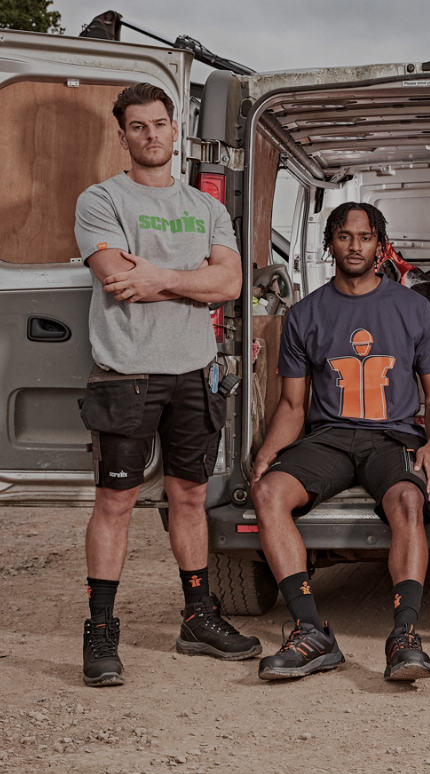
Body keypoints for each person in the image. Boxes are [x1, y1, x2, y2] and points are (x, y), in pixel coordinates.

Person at [74, 83, 260, 687]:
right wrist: (192, 278)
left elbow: (230, 284)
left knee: (189, 497)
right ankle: (101, 629)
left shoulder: (206, 208)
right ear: (122, 134)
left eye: (159, 124)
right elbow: (116, 279)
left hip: (194, 373)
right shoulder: (101, 200)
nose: (151, 135)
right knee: (116, 501)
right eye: (138, 126)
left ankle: (197, 618)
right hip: (126, 372)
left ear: (176, 130)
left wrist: (157, 276)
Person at [250, 202, 430, 681]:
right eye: (344, 237)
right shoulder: (305, 314)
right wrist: (267, 452)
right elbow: (293, 405)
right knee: (268, 493)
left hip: (392, 435)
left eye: (365, 237)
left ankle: (404, 635)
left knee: (408, 501)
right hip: (331, 438)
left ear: (380, 245)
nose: (355, 246)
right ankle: (310, 631)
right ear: (330, 244)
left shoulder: (413, 308)